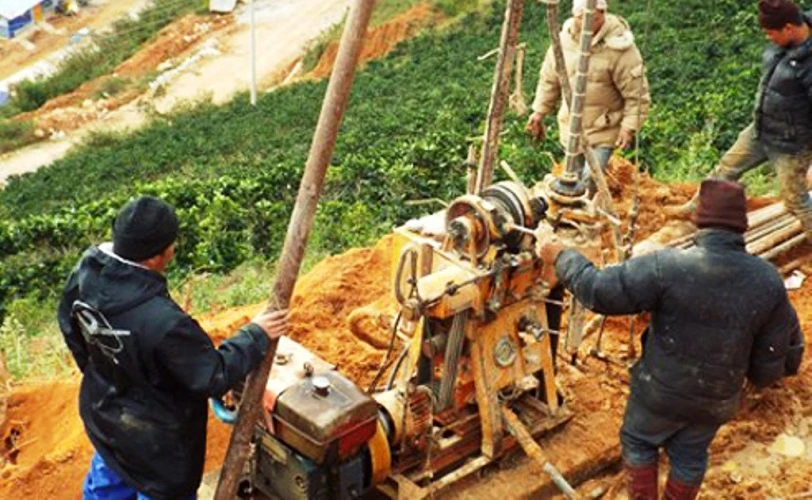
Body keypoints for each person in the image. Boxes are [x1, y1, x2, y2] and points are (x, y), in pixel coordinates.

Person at [536, 180, 804, 499]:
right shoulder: (767, 279)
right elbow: (776, 355)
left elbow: (598, 291)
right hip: (716, 399)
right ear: (742, 224)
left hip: (660, 393)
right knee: (690, 457)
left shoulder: (668, 266)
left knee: (639, 443)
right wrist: (752, 380)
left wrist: (562, 256)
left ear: (700, 219)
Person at [57, 196, 289, 500]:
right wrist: (256, 334)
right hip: (159, 447)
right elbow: (211, 375)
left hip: (109, 422)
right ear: (157, 256)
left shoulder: (85, 273)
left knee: (108, 485)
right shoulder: (164, 322)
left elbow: (72, 332)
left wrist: (112, 373)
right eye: (172, 243)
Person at [668, 0, 812, 241]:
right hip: (761, 128)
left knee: (795, 199)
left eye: (770, 32)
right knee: (725, 168)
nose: (767, 37)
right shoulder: (787, 38)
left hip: (792, 145)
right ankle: (696, 206)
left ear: (788, 28)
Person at [526, 0, 650, 193]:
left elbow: (637, 94)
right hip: (572, 127)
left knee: (591, 178)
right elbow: (549, 81)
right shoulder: (563, 41)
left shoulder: (620, 47)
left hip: (604, 128)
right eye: (582, 18)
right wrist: (539, 112)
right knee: (571, 177)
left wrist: (629, 127)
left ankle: (591, 207)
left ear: (603, 13)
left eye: (595, 17)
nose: (589, 23)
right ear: (575, 16)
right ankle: (571, 208)